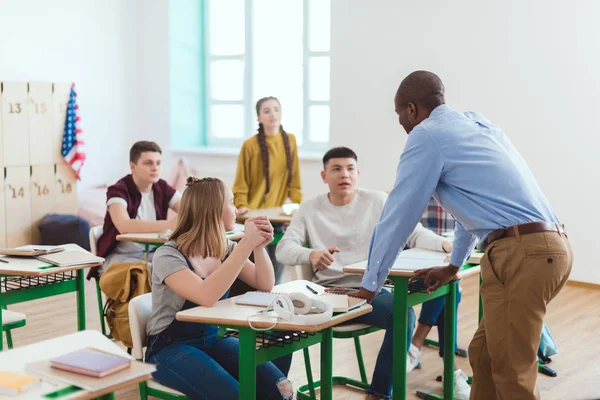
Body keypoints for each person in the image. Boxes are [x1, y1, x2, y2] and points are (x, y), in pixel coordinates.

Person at [352, 71, 572, 400]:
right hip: (545, 247)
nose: (400, 121)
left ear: (411, 109)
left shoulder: (426, 135)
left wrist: (369, 287)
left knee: (512, 372)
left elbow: (398, 217)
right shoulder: (477, 124)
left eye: (399, 113)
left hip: (523, 253)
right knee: (483, 355)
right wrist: (454, 266)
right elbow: (471, 210)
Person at [276, 146, 453, 400]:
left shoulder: (377, 200)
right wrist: (310, 254)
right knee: (280, 318)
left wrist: (444, 244)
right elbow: (283, 249)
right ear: (324, 176)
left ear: (358, 173)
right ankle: (270, 391)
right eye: (336, 169)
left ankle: (379, 394)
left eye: (350, 169)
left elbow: (412, 232)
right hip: (329, 293)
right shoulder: (309, 208)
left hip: (369, 290)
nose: (344, 174)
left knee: (403, 314)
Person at [145, 176, 293, 400]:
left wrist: (259, 247)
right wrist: (245, 245)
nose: (236, 210)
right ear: (213, 210)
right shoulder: (168, 254)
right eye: (231, 203)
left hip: (214, 339)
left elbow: (265, 284)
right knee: (234, 396)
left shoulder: (224, 247)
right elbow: (206, 296)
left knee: (281, 389)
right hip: (169, 348)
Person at [232, 96, 303, 284]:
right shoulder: (249, 145)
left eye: (276, 109)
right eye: (267, 111)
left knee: (276, 266)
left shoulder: (291, 141)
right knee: (254, 270)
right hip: (253, 215)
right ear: (258, 117)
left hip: (278, 216)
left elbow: (295, 179)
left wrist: (297, 205)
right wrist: (242, 205)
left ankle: (272, 293)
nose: (273, 114)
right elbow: (240, 182)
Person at [96, 141, 180, 273]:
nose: (155, 168)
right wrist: (170, 224)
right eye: (148, 163)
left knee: (182, 266)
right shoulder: (118, 190)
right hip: (119, 257)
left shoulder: (162, 187)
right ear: (132, 166)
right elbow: (124, 226)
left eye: (158, 163)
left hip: (153, 253)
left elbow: (189, 209)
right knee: (155, 272)